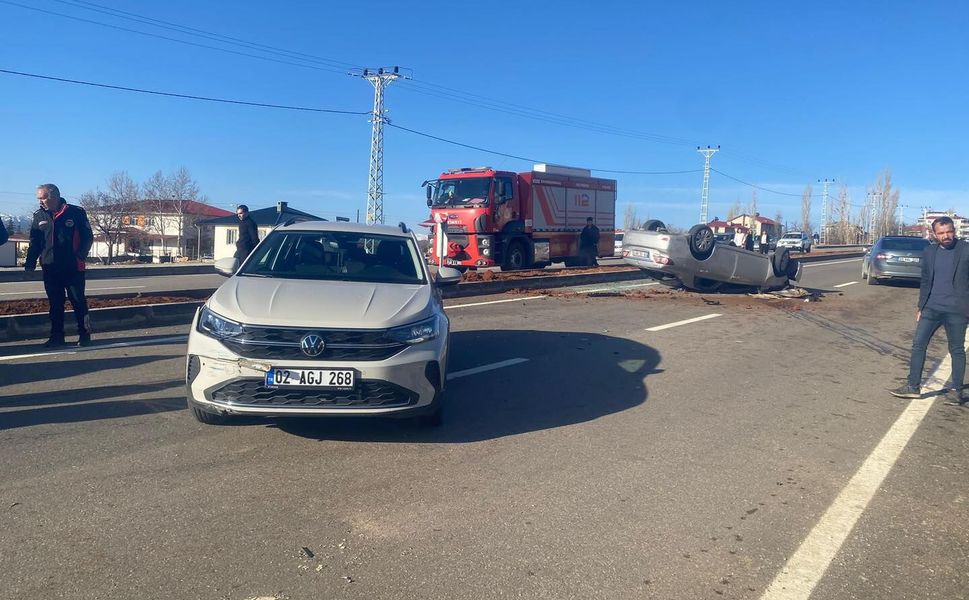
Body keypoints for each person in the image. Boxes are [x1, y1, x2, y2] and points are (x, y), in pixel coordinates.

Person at [891, 216, 969, 406]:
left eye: (949, 231)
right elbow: (925, 281)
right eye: (941, 233)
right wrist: (921, 306)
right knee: (918, 345)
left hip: (957, 310)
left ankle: (956, 391)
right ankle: (913, 387)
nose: (946, 236)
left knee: (956, 350)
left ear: (954, 231)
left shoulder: (966, 250)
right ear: (934, 234)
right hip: (931, 308)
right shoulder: (929, 251)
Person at [25, 184, 94, 348]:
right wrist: (30, 263)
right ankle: (57, 336)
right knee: (55, 304)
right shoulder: (39, 215)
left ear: (54, 196)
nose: (40, 201)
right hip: (50, 267)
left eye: (43, 198)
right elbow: (35, 242)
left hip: (73, 267)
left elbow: (88, 237)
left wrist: (80, 255)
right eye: (39, 198)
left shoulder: (76, 212)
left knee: (78, 302)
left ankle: (85, 334)